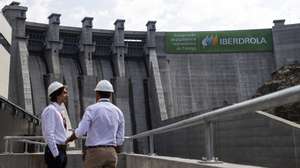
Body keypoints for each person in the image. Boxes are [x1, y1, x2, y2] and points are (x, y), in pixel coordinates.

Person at [65, 80, 125, 168]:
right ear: (110, 95)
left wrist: (69, 139)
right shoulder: (118, 112)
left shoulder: (91, 109)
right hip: (111, 153)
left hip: (94, 153)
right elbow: (120, 140)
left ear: (97, 94)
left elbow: (80, 131)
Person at [42, 81, 68, 168]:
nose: (67, 95)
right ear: (57, 94)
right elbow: (49, 133)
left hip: (60, 150)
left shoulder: (58, 110)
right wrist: (56, 154)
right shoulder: (51, 110)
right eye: (64, 92)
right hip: (56, 151)